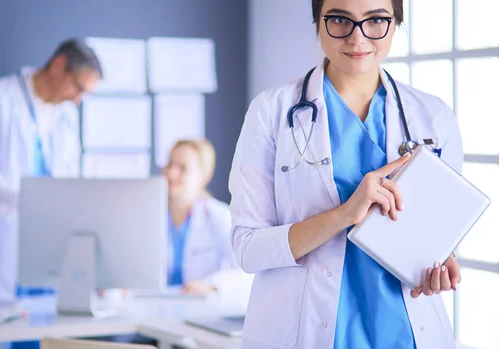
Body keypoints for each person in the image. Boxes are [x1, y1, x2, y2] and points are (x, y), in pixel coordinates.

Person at [229, 0, 462, 348]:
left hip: (405, 332)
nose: (358, 38)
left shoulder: (433, 116)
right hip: (305, 331)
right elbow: (248, 249)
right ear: (317, 21)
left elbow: (441, 236)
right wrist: (344, 215)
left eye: (376, 20)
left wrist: (439, 266)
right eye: (340, 19)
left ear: (396, 22)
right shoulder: (272, 112)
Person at [0, 38, 102, 302]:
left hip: (43, 238)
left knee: (42, 325)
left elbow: (69, 174)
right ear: (58, 66)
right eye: (78, 88)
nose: (78, 100)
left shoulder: (66, 115)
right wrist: (26, 198)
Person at [162, 139, 240, 294]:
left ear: (204, 176)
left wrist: (212, 284)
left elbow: (245, 272)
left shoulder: (219, 217)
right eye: (169, 165)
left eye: (182, 168)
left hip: (200, 310)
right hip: (152, 307)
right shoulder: (149, 217)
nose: (171, 174)